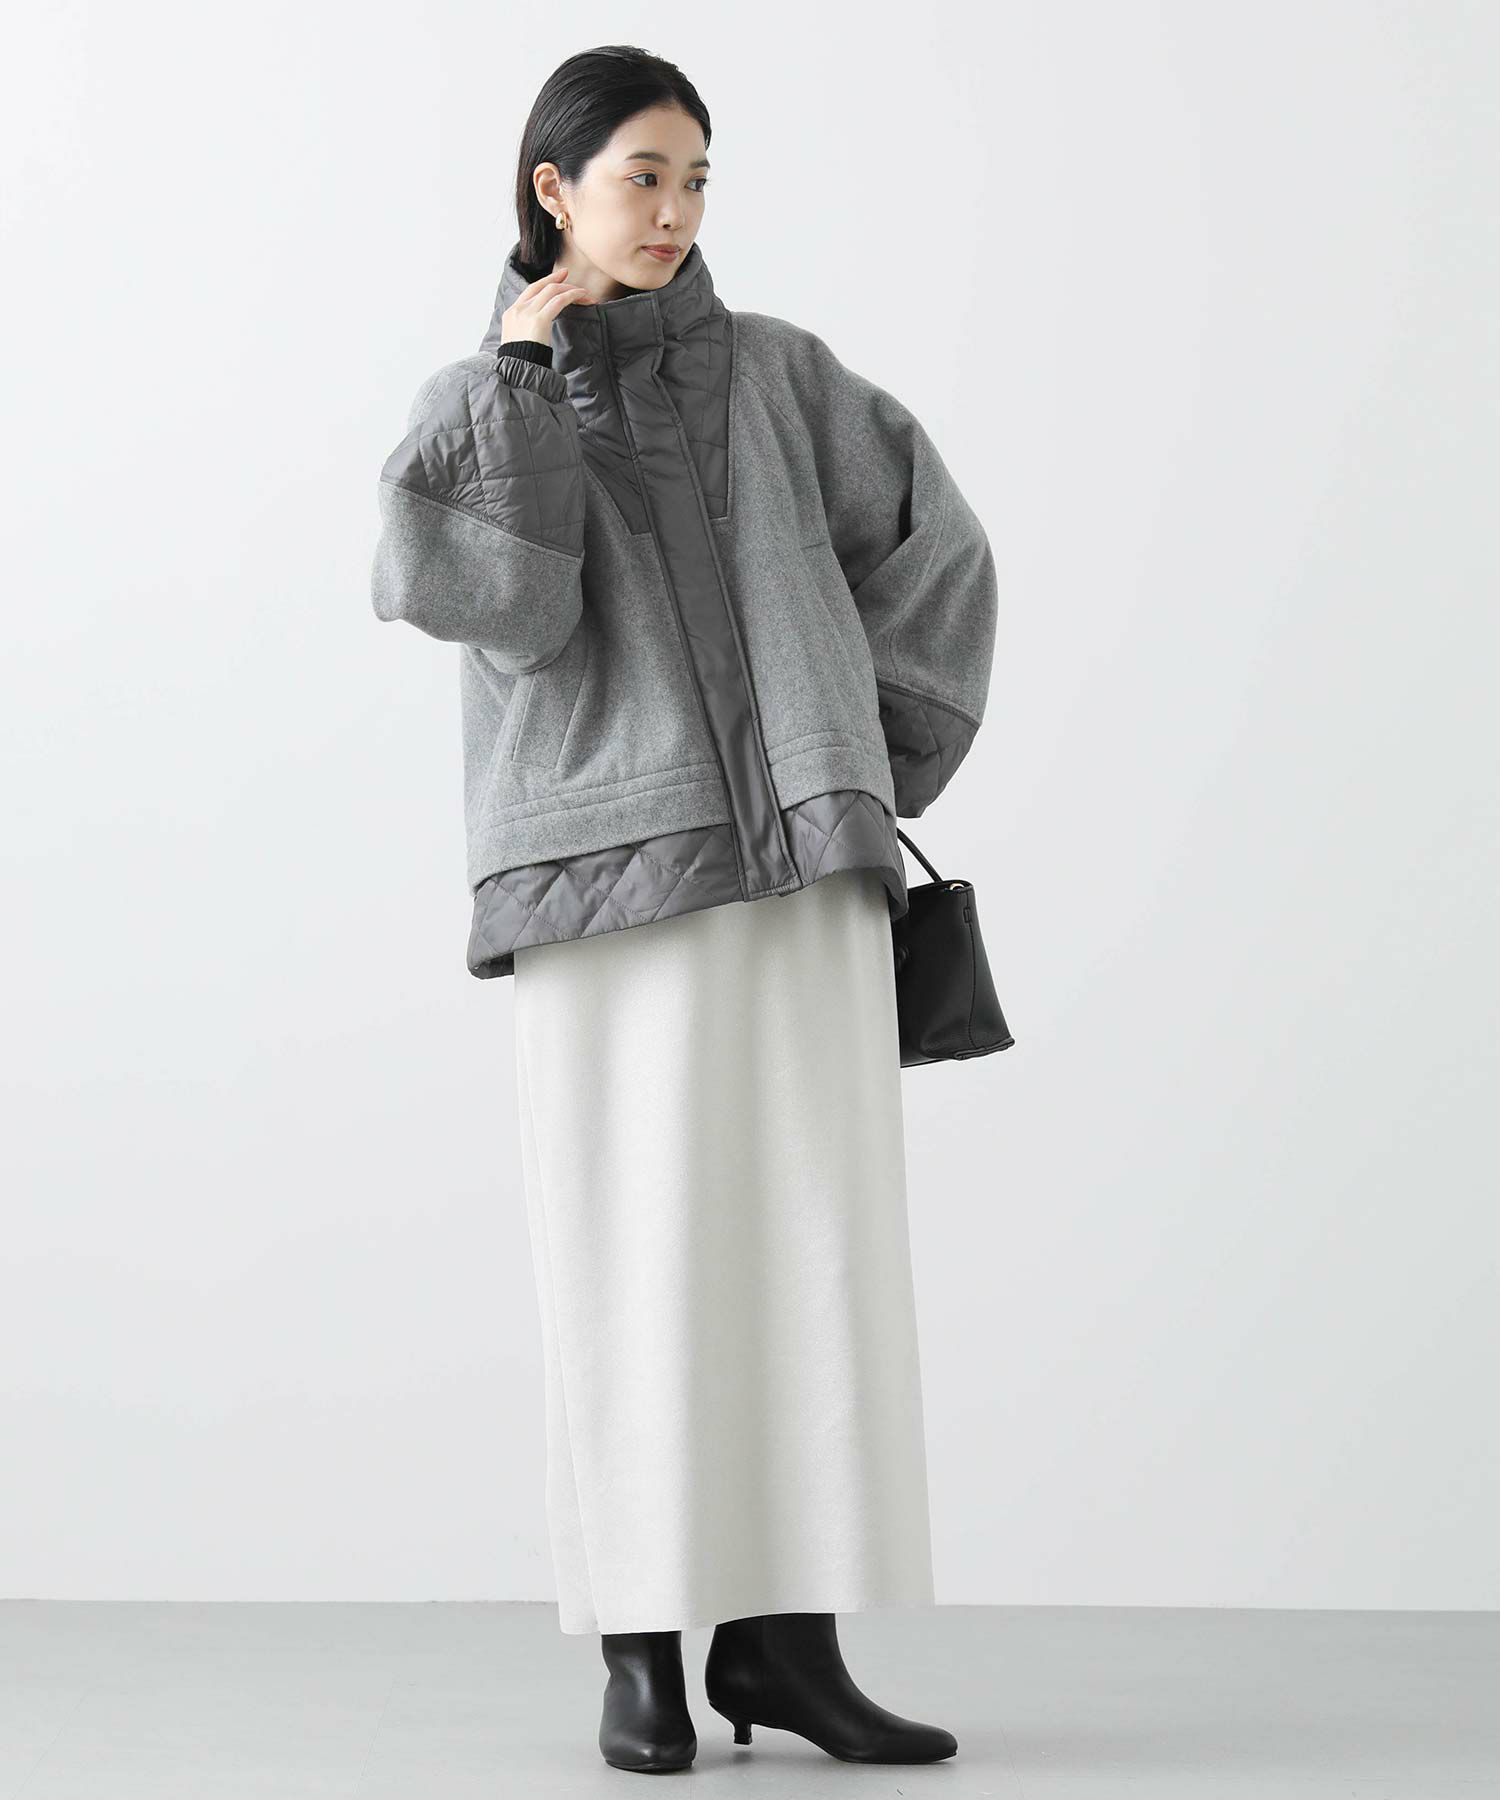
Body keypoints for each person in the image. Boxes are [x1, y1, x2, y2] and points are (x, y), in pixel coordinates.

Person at [370, 42, 998, 1774]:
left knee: (812, 1254)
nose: (674, 210)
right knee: (631, 1260)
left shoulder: (786, 376)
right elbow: (486, 599)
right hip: (606, 883)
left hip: (802, 869)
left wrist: (861, 741)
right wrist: (522, 380)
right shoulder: (486, 400)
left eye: (697, 178)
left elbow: (938, 547)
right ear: (553, 187)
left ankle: (789, 1647)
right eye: (642, 174)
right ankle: (640, 1651)